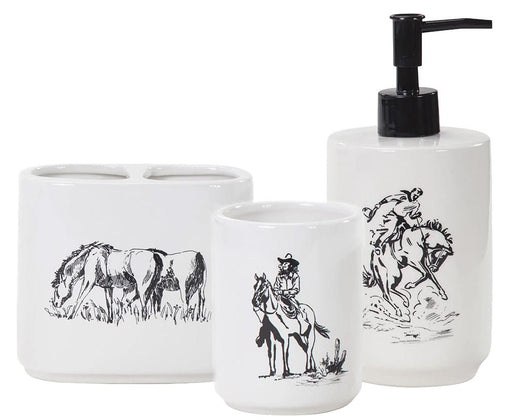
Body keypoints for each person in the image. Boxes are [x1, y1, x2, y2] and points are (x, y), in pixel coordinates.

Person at [363, 188, 423, 255]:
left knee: (408, 231)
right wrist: (380, 203)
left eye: (417, 196)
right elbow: (390, 198)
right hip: (393, 216)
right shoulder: (404, 197)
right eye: (414, 194)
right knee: (390, 230)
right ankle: (378, 244)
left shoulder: (416, 205)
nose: (415, 197)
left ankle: (402, 249)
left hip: (401, 218)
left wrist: (417, 215)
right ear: (411, 192)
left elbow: (411, 216)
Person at [273, 253, 308, 333]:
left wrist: (284, 292)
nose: (283, 265)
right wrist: (277, 292)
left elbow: (296, 289)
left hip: (290, 298)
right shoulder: (279, 277)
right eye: (283, 263)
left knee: (298, 310)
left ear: (290, 265)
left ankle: (303, 326)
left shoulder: (295, 276)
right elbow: (275, 287)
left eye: (286, 263)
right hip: (279, 298)